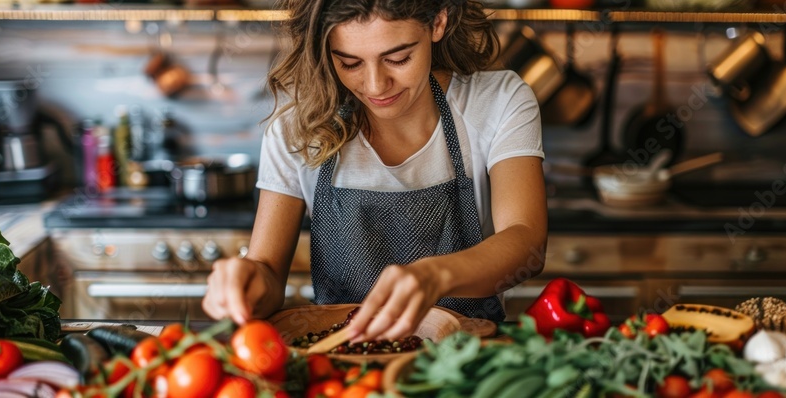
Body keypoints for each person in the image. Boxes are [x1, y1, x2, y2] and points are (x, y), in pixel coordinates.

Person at [203, 0, 547, 343]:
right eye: (349, 63)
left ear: (438, 22)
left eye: (398, 58)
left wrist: (434, 275)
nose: (376, 85)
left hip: (465, 362)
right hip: (342, 370)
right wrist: (246, 279)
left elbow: (527, 243)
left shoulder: (499, 102)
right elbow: (268, 273)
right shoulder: (297, 129)